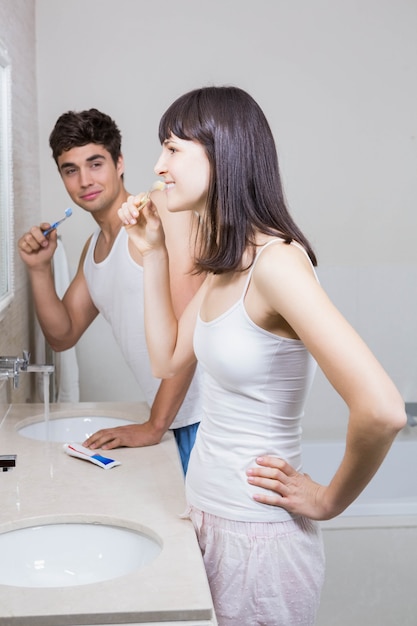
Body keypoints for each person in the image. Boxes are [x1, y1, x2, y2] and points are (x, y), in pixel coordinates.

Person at [117, 86, 407, 625]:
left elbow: (382, 409)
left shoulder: (276, 263)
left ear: (222, 152)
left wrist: (327, 502)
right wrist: (155, 251)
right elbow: (168, 361)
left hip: (260, 544)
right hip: (208, 516)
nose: (159, 166)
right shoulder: (226, 261)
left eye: (173, 148)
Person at [17, 108, 204, 474]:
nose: (84, 180)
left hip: (206, 418)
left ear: (119, 163)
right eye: (70, 170)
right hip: (173, 421)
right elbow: (63, 334)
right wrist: (39, 270)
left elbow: (190, 332)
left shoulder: (162, 212)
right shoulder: (95, 248)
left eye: (95, 163)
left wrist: (154, 425)